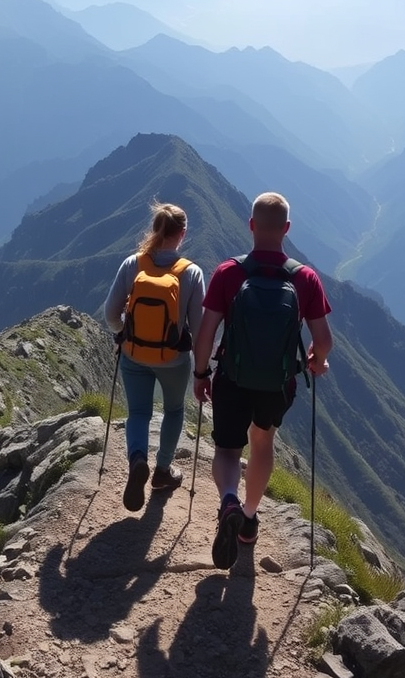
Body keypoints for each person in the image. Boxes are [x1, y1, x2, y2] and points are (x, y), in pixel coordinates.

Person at [193, 191, 332, 570]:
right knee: (262, 442)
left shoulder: (228, 272)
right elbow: (323, 342)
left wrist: (201, 373)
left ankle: (228, 501)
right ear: (286, 229)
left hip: (232, 380)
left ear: (251, 225)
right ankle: (249, 520)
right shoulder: (305, 278)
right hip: (277, 384)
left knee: (226, 450)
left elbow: (206, 333)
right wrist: (316, 362)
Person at [104, 202, 205, 512]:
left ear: (155, 229)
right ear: (183, 234)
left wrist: (124, 331)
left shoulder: (132, 264)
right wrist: (202, 370)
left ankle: (137, 459)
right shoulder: (190, 273)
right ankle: (162, 471)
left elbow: (110, 314)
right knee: (174, 410)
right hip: (173, 360)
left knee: (138, 413)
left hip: (134, 354)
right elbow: (200, 329)